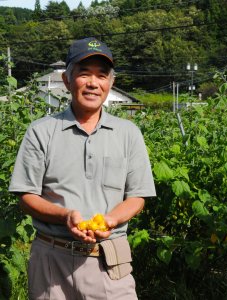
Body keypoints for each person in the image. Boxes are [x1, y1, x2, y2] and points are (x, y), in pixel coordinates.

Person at [9, 37, 156, 300]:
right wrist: (65, 215)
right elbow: (26, 196)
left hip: (110, 262)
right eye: (84, 74)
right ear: (67, 81)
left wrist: (111, 220)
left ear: (110, 84)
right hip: (52, 262)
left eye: (101, 76)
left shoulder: (128, 133)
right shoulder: (41, 131)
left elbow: (137, 196)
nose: (93, 83)